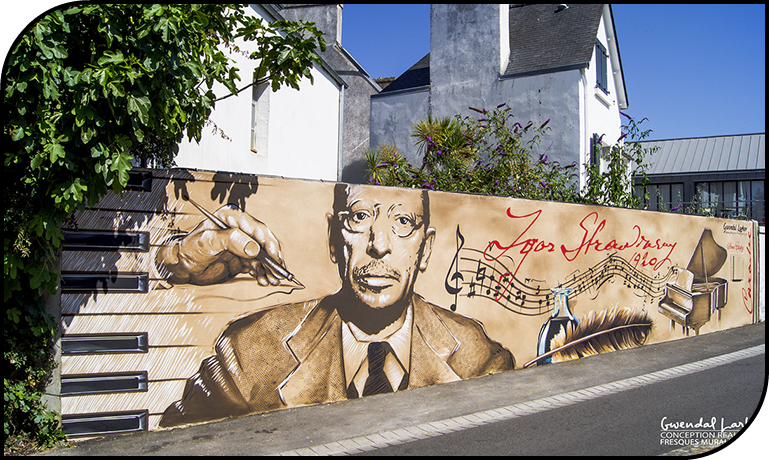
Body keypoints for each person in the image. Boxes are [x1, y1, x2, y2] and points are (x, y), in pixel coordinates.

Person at [158, 183, 514, 427]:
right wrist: (169, 261)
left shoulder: (480, 360)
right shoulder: (248, 352)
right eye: (360, 218)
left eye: (403, 222)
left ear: (426, 248)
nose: (379, 244)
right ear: (333, 239)